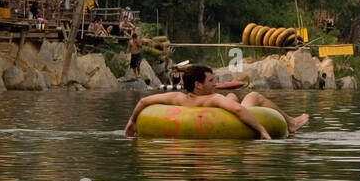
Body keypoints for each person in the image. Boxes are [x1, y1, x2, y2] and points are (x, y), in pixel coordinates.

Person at [123, 65, 309, 138]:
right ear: (198, 84)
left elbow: (143, 102)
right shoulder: (213, 99)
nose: (216, 84)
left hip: (197, 113)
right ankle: (291, 123)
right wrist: (261, 129)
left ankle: (291, 122)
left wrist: (131, 122)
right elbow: (238, 111)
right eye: (211, 81)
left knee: (232, 96)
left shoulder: (177, 98)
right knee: (253, 97)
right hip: (224, 116)